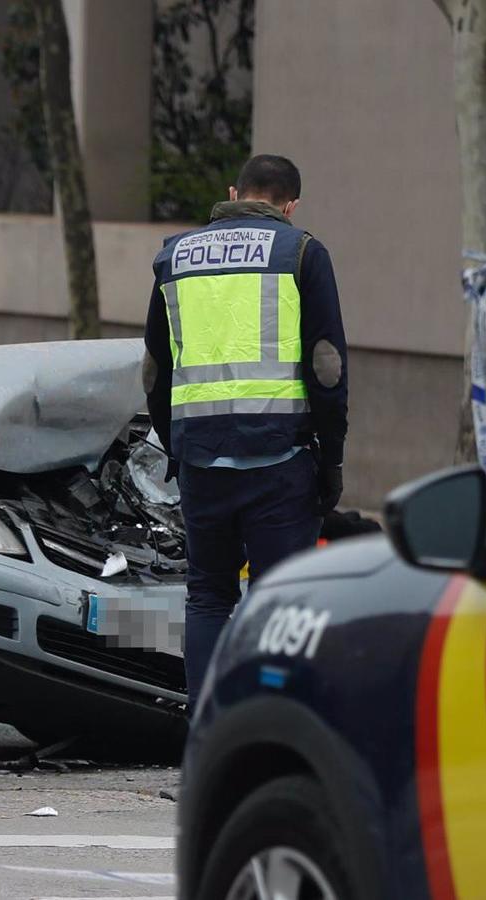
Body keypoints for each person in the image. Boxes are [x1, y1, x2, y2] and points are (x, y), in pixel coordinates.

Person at [143, 154, 349, 706]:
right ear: (291, 205)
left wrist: (176, 447)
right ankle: (263, 733)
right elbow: (327, 366)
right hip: (280, 461)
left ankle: (206, 733)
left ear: (234, 193)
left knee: (209, 598)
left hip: (201, 462)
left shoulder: (175, 256)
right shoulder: (302, 252)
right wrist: (331, 459)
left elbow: (155, 370)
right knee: (276, 602)